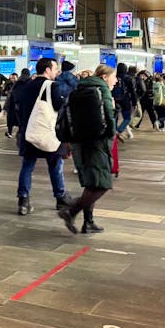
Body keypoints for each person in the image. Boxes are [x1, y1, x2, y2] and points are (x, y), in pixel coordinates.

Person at [58, 65, 118, 234]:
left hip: (79, 141)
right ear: (105, 77)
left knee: (92, 183)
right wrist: (111, 135)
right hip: (97, 143)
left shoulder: (79, 88)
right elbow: (109, 117)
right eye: (114, 76)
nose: (116, 80)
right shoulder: (103, 90)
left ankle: (88, 222)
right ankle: (71, 210)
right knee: (102, 184)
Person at [14, 58, 68, 216]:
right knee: (56, 165)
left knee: (27, 166)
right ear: (47, 70)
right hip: (47, 133)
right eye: (55, 68)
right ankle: (60, 198)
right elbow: (59, 107)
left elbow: (17, 107)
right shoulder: (52, 86)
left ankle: (23, 200)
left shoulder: (26, 85)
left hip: (29, 133)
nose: (57, 71)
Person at [113, 63, 137, 141]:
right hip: (125, 100)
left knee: (115, 117)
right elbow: (133, 92)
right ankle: (119, 130)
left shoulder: (114, 77)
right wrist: (134, 102)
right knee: (127, 118)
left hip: (115, 99)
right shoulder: (129, 78)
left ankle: (113, 132)